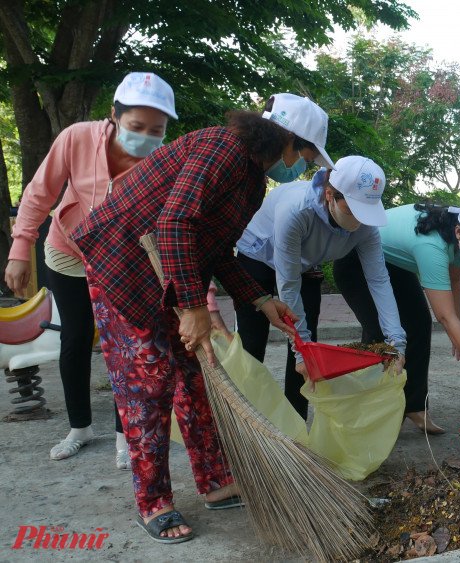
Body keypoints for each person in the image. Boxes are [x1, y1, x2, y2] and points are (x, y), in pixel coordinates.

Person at [70, 93, 332, 544]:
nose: (304, 167)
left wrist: (260, 299)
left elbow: (214, 247)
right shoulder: (222, 147)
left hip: (168, 271)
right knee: (148, 383)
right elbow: (174, 224)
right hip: (120, 265)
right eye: (306, 155)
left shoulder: (252, 179)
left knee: (194, 377)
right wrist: (194, 308)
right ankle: (153, 502)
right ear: (289, 139)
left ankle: (214, 482)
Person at [4, 72, 214, 470]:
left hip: (124, 262)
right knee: (76, 338)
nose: (146, 136)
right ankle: (79, 428)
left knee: (127, 349)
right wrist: (19, 246)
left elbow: (178, 232)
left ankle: (125, 435)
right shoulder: (77, 138)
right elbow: (39, 191)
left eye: (157, 129)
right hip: (68, 251)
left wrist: (198, 300)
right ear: (113, 116)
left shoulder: (165, 160)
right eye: (136, 126)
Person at [235, 156, 406, 418]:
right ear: (329, 194)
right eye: (353, 208)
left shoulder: (366, 226)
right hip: (258, 254)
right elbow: (288, 284)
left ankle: (295, 428)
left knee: (308, 348)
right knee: (253, 341)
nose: (360, 219)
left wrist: (397, 341)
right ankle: (244, 419)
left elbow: (378, 279)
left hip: (304, 263)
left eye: (366, 210)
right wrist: (299, 347)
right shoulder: (296, 211)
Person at [334, 193, 460, 434]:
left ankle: (414, 406)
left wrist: (459, 331)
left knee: (418, 323)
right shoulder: (432, 245)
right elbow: (444, 316)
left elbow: (453, 283)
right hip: (355, 261)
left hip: (393, 263)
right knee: (380, 334)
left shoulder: (459, 235)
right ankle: (368, 414)